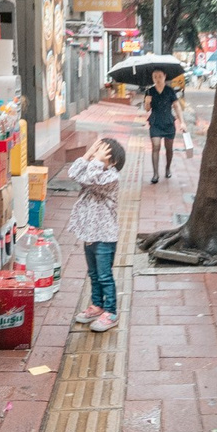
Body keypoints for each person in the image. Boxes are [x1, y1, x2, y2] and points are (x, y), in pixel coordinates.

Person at [68, 136, 124, 334]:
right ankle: (97, 305)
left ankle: (111, 312)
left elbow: (91, 178)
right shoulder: (94, 170)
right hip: (90, 234)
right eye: (98, 150)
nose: (97, 155)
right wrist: (88, 154)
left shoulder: (111, 177)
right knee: (93, 274)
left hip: (105, 237)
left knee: (104, 275)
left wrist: (97, 161)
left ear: (113, 161)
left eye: (103, 152)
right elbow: (74, 173)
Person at [145, 68, 184, 182]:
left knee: (169, 148)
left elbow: (176, 106)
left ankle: (167, 168)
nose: (157, 79)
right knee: (156, 146)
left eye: (160, 76)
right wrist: (147, 102)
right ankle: (155, 174)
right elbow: (147, 109)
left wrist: (182, 122)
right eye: (155, 77)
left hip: (168, 122)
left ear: (165, 76)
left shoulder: (170, 91)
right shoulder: (149, 91)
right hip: (155, 122)